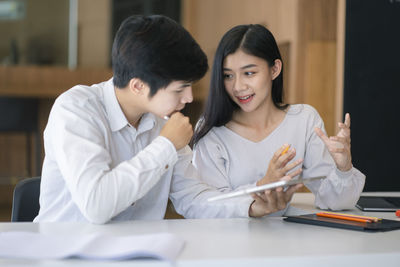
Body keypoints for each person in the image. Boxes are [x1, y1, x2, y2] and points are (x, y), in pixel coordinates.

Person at [34, 15, 297, 224]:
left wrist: (252, 206)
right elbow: (96, 205)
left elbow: (193, 198)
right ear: (138, 86)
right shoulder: (76, 110)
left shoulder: (162, 122)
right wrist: (165, 146)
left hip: (140, 256)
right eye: (180, 89)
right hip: (67, 255)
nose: (190, 98)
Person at [191, 24, 366, 215]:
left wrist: (343, 168)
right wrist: (262, 185)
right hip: (232, 241)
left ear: (274, 69)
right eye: (228, 76)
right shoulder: (211, 129)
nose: (238, 86)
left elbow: (334, 202)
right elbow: (208, 206)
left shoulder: (304, 120)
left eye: (249, 73)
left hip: (287, 240)